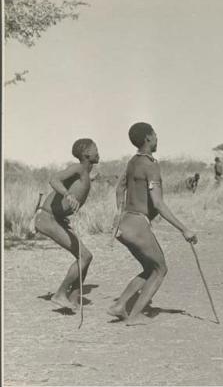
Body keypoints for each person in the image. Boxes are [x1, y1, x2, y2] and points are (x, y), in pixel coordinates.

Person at [108, 123, 198, 325]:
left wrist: (119, 214)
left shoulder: (132, 162)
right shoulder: (151, 165)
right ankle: (136, 315)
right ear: (148, 138)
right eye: (155, 135)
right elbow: (158, 203)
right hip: (138, 225)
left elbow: (118, 189)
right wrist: (185, 229)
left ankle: (119, 305)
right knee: (161, 269)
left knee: (150, 268)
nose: (157, 138)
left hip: (124, 225)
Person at [34, 139, 99, 311]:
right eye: (95, 149)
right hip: (47, 218)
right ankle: (60, 294)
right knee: (84, 256)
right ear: (86, 154)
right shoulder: (77, 168)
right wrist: (68, 194)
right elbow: (54, 179)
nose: (98, 152)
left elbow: (84, 180)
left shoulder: (85, 173)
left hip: (55, 219)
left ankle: (74, 298)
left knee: (86, 256)